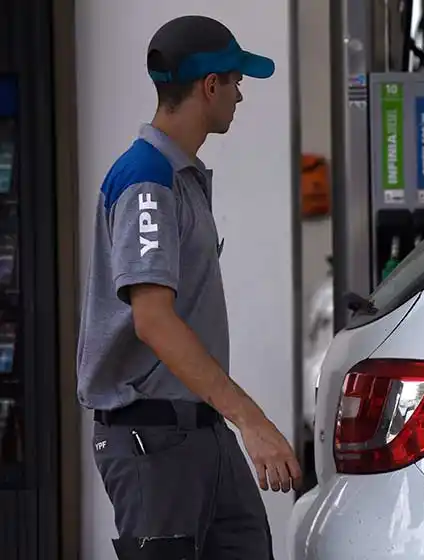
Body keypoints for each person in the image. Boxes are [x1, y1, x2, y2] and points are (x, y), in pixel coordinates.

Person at [76, 14, 302, 559]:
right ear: (209, 86)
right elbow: (153, 319)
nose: (240, 97)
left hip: (198, 430)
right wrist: (251, 419)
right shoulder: (147, 181)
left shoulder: (179, 177)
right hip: (154, 439)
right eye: (236, 82)